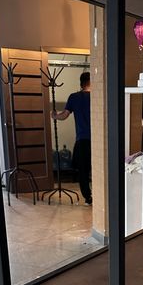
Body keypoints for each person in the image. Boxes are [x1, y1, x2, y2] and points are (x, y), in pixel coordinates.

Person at [53, 71, 92, 205]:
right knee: (99, 167)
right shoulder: (98, 96)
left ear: (81, 83)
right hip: (99, 139)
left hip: (82, 140)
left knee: (83, 171)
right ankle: (102, 195)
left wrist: (54, 116)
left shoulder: (74, 97)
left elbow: (64, 115)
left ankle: (88, 198)